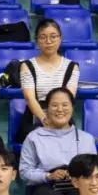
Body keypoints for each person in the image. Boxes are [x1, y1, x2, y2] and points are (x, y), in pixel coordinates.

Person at [19, 87, 97, 195]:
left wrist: (76, 175)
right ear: (46, 109)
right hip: (44, 188)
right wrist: (48, 176)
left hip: (76, 186)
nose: (60, 109)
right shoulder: (34, 137)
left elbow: (93, 172)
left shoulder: (86, 139)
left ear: (72, 108)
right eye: (54, 105)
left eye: (65, 105)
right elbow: (24, 171)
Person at [15, 18, 79, 147]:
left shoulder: (72, 67)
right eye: (43, 37)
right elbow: (29, 98)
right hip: (35, 120)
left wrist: (58, 121)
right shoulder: (27, 66)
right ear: (37, 40)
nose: (48, 41)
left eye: (53, 37)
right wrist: (45, 120)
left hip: (62, 118)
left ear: (60, 38)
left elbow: (68, 99)